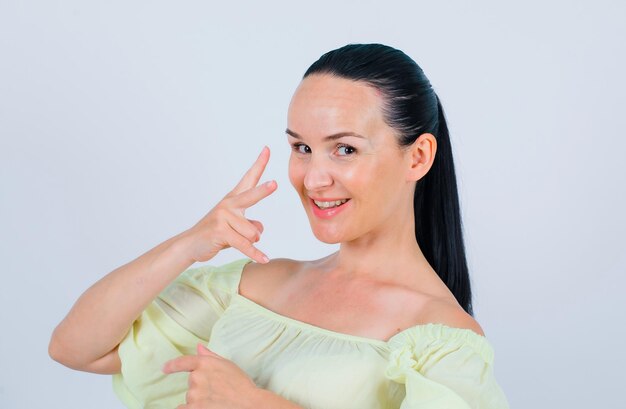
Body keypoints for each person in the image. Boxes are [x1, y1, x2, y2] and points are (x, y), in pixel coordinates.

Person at [49, 43, 510, 409]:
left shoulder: (442, 339)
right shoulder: (255, 286)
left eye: (344, 149)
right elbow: (75, 348)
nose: (313, 178)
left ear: (418, 156)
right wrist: (190, 243)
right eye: (302, 148)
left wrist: (257, 405)